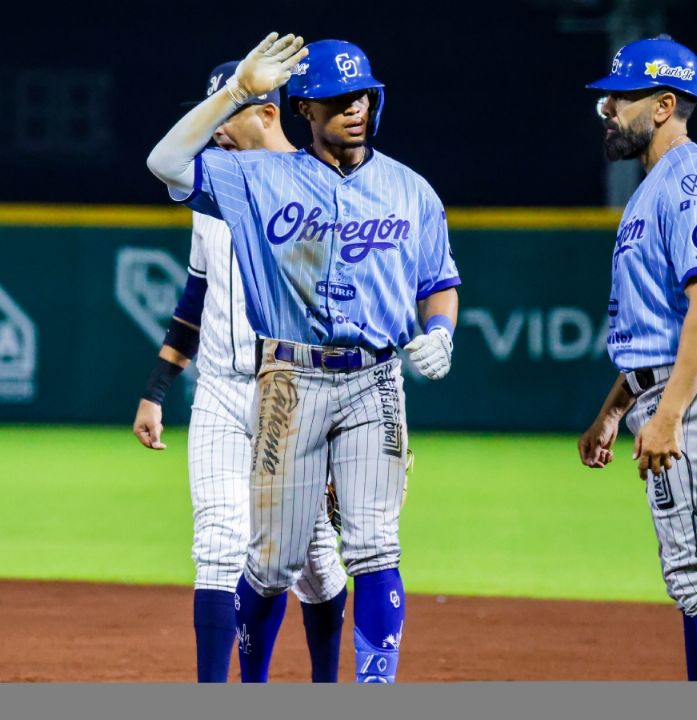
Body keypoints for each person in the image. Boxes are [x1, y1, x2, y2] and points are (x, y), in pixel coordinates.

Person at [147, 34, 460, 683]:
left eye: (362, 96)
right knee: (271, 563)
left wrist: (441, 330)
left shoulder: (412, 190)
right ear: (303, 112)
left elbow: (439, 281)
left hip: (376, 379)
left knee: (375, 546)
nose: (353, 109)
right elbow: (166, 161)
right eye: (335, 100)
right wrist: (236, 92)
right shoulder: (255, 179)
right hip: (290, 383)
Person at [132, 60, 348, 683]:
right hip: (222, 393)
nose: (214, 132)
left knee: (311, 563)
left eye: (224, 117)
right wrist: (156, 390)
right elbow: (195, 298)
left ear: (267, 113)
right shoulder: (211, 193)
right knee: (218, 546)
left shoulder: (324, 188)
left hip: (299, 393)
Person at [577, 35, 697, 681]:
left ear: (663, 104)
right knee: (692, 575)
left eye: (620, 97)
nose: (608, 110)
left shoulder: (690, 183)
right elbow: (661, 327)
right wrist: (612, 411)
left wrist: (671, 414)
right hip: (670, 389)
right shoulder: (656, 186)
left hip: (696, 397)